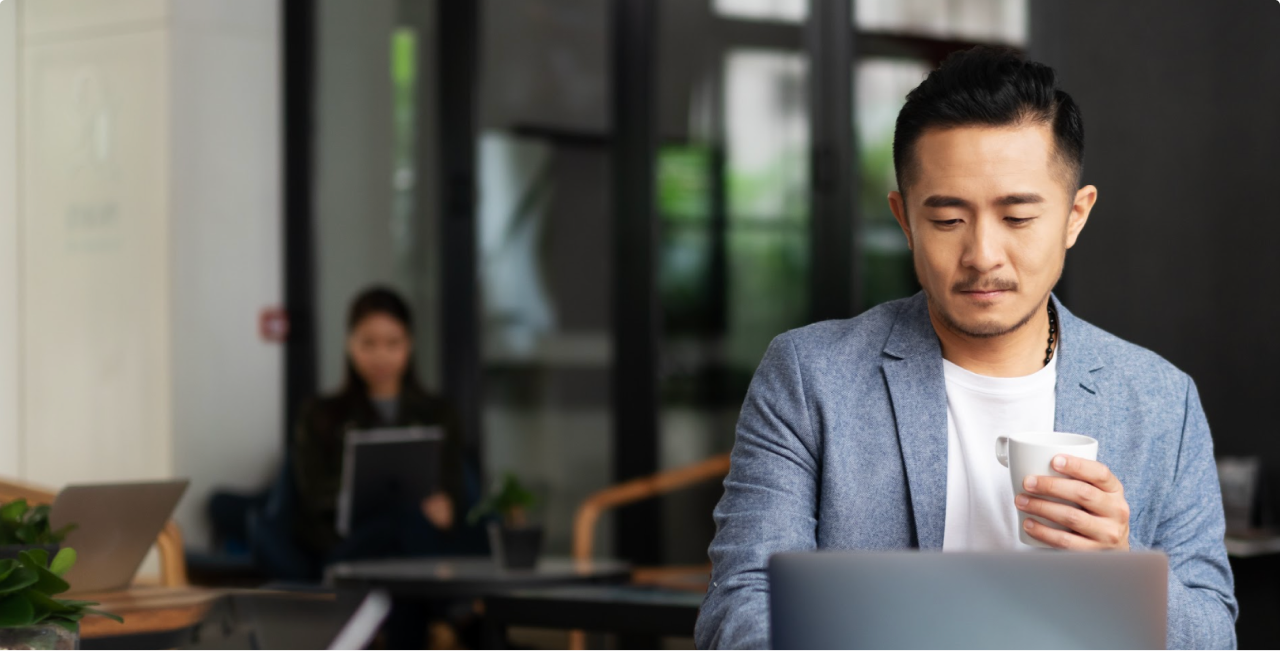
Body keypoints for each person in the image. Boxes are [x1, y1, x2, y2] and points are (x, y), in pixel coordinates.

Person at [695, 46, 1236, 651]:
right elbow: (741, 610)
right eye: (949, 220)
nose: (982, 254)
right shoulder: (810, 377)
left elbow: (1215, 635)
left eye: (1018, 217)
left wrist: (1121, 570)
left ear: (1075, 217)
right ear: (904, 221)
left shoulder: (1161, 399)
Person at [291, 286, 468, 570]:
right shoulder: (321, 414)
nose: (381, 356)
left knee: (411, 524)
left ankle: (439, 609)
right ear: (350, 344)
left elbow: (454, 486)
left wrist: (446, 506)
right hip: (349, 544)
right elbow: (311, 496)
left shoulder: (438, 413)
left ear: (409, 344)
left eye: (392, 343)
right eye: (368, 343)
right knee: (399, 523)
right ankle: (449, 611)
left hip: (417, 537)